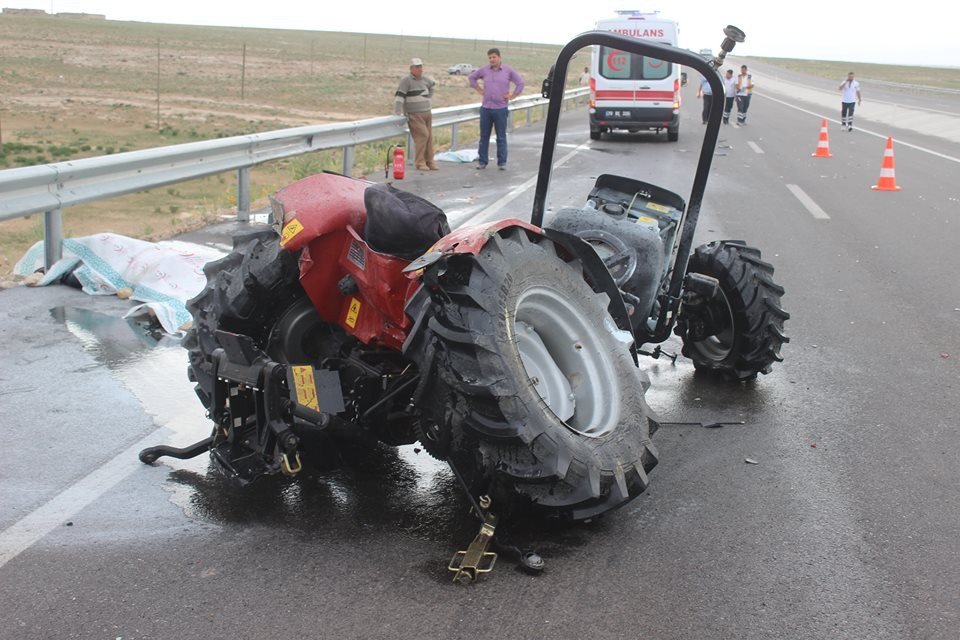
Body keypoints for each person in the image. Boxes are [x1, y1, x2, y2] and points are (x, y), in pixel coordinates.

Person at [468, 48, 525, 170]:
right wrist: (479, 90)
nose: (492, 60)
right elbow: (472, 78)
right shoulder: (484, 70)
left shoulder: (508, 70)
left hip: (500, 109)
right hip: (486, 108)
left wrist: (512, 96)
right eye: (489, 57)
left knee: (501, 136)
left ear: (499, 57)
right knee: (484, 137)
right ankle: (482, 161)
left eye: (494, 57)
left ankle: (502, 162)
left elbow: (520, 83)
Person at [394, 57, 438, 171]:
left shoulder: (425, 79)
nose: (420, 69)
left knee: (429, 138)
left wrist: (428, 97)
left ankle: (430, 161)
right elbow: (400, 95)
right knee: (423, 136)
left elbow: (432, 85)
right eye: (417, 67)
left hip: (427, 112)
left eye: (421, 66)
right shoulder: (406, 80)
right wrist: (398, 110)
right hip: (414, 114)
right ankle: (420, 162)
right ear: (411, 69)